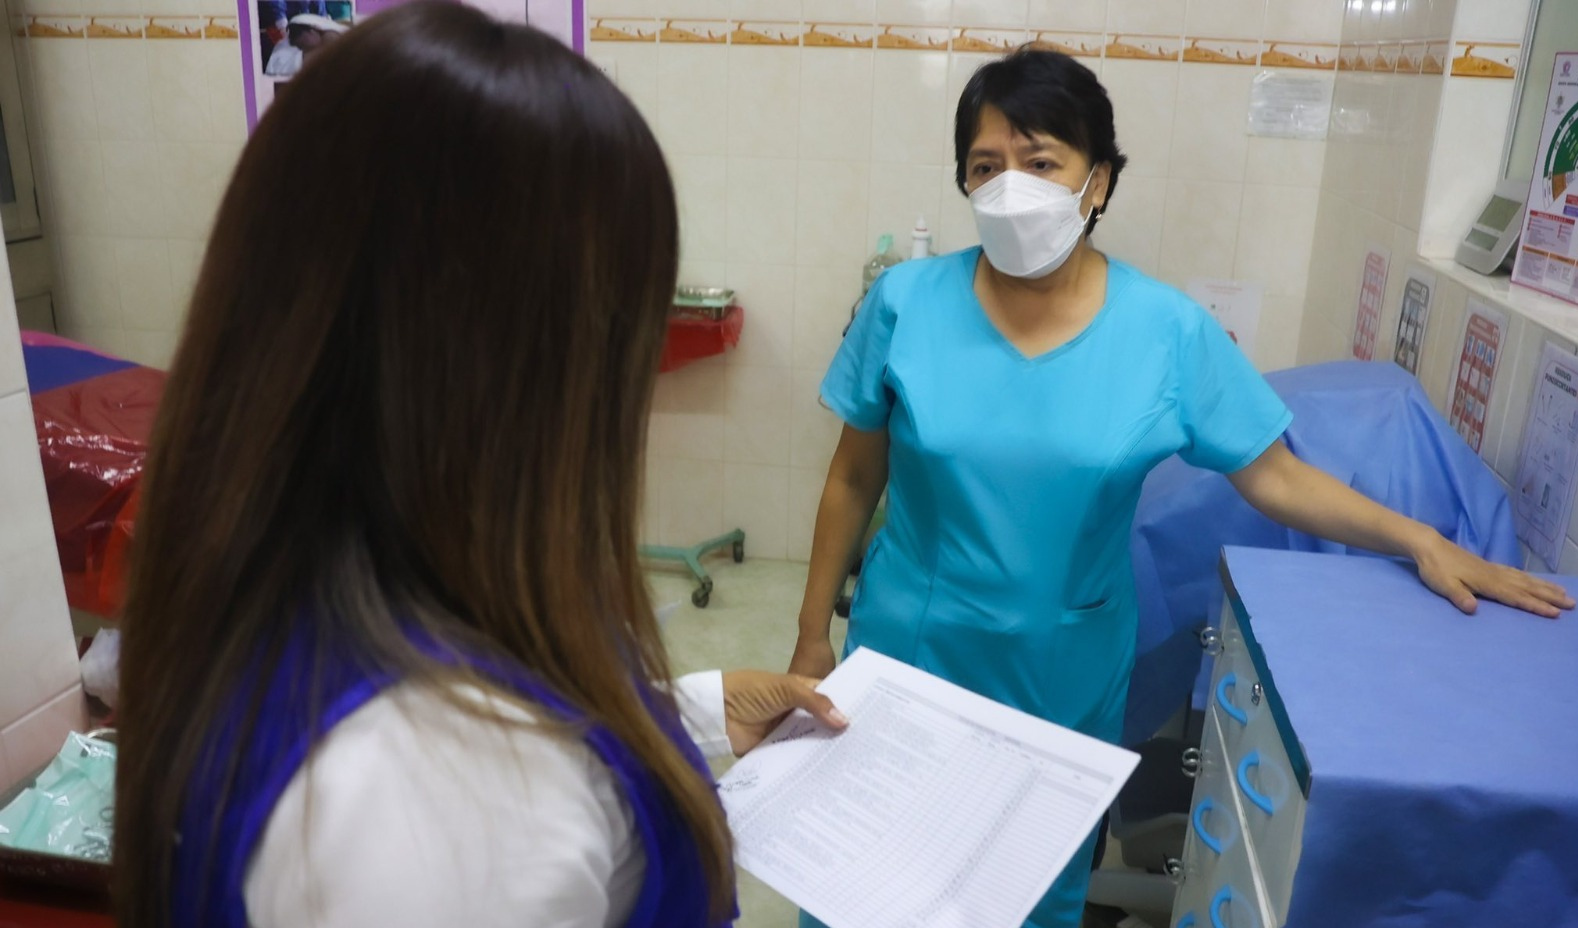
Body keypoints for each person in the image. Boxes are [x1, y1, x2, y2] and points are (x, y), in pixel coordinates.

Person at [788, 48, 1573, 928]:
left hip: (1060, 676)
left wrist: (1422, 540)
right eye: (985, 166)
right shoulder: (907, 304)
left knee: (1018, 893)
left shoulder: (1165, 333)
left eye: (1040, 162)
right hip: (910, 654)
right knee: (868, 878)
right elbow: (853, 474)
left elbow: (1276, 476)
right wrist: (811, 637)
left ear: (1098, 182)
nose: (1011, 188)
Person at [112, 6, 846, 928]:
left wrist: (698, 712)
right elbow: (496, 795)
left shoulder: (292, 602)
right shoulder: (464, 814)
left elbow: (500, 715)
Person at [264, 13, 347, 77]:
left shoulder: (341, 40)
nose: (294, 41)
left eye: (297, 34)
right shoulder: (283, 52)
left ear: (313, 30)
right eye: (292, 35)